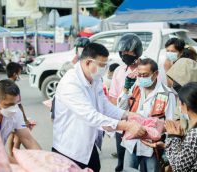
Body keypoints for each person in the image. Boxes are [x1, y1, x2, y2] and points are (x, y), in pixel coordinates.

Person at [52, 42, 146, 172]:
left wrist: (127, 115)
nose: (104, 69)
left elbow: (104, 106)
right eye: (101, 65)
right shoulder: (71, 83)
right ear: (87, 62)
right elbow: (91, 116)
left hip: (89, 146)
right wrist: (127, 125)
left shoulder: (95, 79)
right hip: (70, 149)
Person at [117, 58, 176, 172]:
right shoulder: (135, 87)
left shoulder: (167, 94)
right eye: (140, 75)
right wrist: (125, 89)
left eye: (145, 75)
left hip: (152, 147)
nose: (142, 78)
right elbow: (121, 109)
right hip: (132, 142)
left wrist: (167, 149)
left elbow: (170, 123)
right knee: (128, 169)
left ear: (156, 74)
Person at [109, 33, 143, 172]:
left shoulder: (147, 69)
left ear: (137, 52)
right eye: (122, 51)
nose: (124, 54)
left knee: (143, 161)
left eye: (128, 51)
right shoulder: (119, 71)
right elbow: (113, 98)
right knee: (122, 161)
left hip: (142, 122)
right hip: (123, 123)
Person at [0, 79, 41, 162]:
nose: (13, 109)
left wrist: (44, 159)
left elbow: (28, 139)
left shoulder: (15, 111)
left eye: (15, 104)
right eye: (9, 105)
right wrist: (26, 166)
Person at [6, 62, 36, 156]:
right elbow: (19, 105)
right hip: (14, 116)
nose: (19, 75)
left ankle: (11, 154)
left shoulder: (3, 84)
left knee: (11, 134)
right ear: (15, 74)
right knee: (19, 137)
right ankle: (15, 156)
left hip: (6, 116)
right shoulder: (14, 87)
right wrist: (25, 119)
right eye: (19, 73)